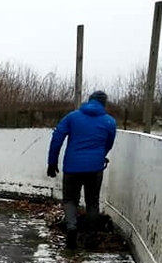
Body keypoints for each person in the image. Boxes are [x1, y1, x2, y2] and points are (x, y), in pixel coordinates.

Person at [47, 90, 117, 249]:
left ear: (89, 101)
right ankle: (90, 239)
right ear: (104, 103)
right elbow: (108, 143)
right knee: (92, 202)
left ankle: (72, 228)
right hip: (95, 168)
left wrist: (52, 162)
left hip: (72, 167)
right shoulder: (109, 122)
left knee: (70, 200)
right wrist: (100, 156)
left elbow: (57, 138)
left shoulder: (72, 117)